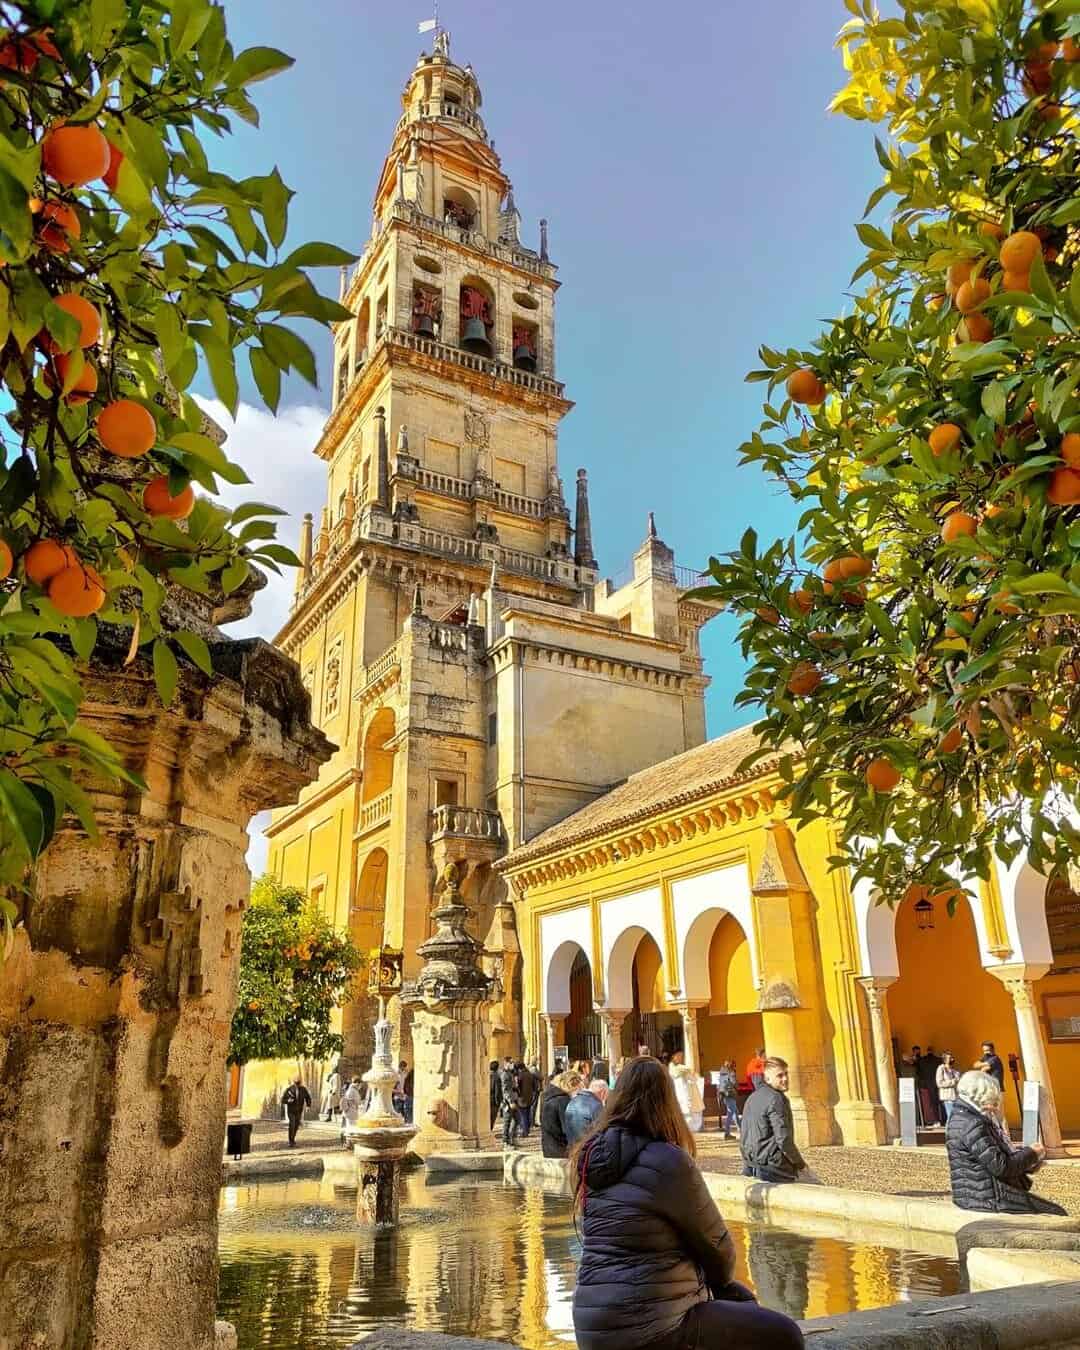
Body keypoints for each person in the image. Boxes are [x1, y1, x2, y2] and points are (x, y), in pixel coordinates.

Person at [570, 1056, 804, 1350]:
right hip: (650, 1327)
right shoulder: (667, 1160)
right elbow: (719, 1249)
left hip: (591, 1326)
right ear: (667, 1103)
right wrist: (718, 1284)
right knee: (785, 1333)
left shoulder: (589, 1159)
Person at [946, 1070, 1064, 1215]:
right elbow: (1001, 1167)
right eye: (992, 1100)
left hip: (975, 1195)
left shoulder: (963, 1116)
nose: (994, 1107)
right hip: (987, 1198)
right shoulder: (972, 1123)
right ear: (980, 1096)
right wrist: (1032, 1153)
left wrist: (1028, 1162)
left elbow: (994, 1158)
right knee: (1057, 1213)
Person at [740, 1057, 807, 1184]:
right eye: (780, 1075)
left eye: (786, 1074)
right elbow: (783, 1139)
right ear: (767, 1079)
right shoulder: (776, 1099)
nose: (785, 1078)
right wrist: (800, 1165)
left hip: (752, 1165)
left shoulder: (752, 1097)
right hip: (774, 1168)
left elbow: (744, 1135)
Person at [540, 1069, 583, 1158]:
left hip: (548, 1147)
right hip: (561, 1150)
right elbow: (568, 1130)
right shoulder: (563, 1101)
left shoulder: (549, 1097)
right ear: (572, 1086)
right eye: (579, 1089)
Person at [669, 1051, 705, 1133]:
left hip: (687, 1098)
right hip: (682, 1098)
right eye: (678, 1056)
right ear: (673, 1056)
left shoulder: (684, 1069)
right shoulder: (679, 1069)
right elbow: (693, 1078)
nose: (680, 1058)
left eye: (681, 1056)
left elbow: (694, 1078)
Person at [565, 1075, 604, 1146]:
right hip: (588, 1147)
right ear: (602, 1093)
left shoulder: (571, 1102)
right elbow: (601, 1131)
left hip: (574, 1147)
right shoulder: (596, 1104)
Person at [281, 1075, 311, 1148]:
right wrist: (288, 1100)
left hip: (299, 1111)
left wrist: (308, 1106)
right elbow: (283, 1100)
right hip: (291, 1111)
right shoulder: (289, 1089)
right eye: (296, 1083)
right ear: (294, 1082)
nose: (297, 1085)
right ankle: (291, 1141)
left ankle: (293, 1139)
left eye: (298, 1083)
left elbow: (308, 1097)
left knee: (296, 1125)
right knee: (292, 1124)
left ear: (300, 1082)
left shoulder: (303, 1089)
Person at [499, 1055, 521, 1149]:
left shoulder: (510, 1073)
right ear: (506, 1063)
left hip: (514, 1099)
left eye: (513, 1062)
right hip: (508, 1102)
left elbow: (512, 1087)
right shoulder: (504, 1074)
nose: (512, 1064)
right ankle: (505, 1142)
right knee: (507, 1121)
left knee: (517, 1119)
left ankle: (513, 1138)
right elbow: (505, 1090)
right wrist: (510, 1101)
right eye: (511, 1062)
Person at [716, 1060, 740, 1140]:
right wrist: (737, 1084)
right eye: (734, 1066)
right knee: (730, 1114)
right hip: (730, 1095)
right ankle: (727, 1133)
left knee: (735, 1112)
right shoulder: (731, 1072)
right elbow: (734, 1083)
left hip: (724, 1095)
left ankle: (740, 1129)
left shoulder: (722, 1074)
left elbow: (719, 1085)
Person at [936, 1052, 961, 1123]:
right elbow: (939, 1083)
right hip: (947, 1097)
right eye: (950, 1058)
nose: (952, 1059)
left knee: (955, 1117)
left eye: (952, 1057)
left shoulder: (954, 1070)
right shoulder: (941, 1068)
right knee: (951, 1117)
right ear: (945, 1060)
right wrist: (953, 1082)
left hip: (955, 1097)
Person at [516, 1060, 537, 1139]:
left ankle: (524, 1132)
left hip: (522, 1098)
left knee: (523, 1115)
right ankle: (527, 1130)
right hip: (530, 1097)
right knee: (527, 1114)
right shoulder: (530, 1074)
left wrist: (517, 1094)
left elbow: (518, 1087)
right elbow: (535, 1086)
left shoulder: (520, 1075)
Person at [489, 1059, 502, 1129]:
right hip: (493, 1101)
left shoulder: (487, 1075)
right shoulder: (496, 1077)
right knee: (492, 1118)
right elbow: (497, 1090)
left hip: (487, 1099)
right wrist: (498, 1102)